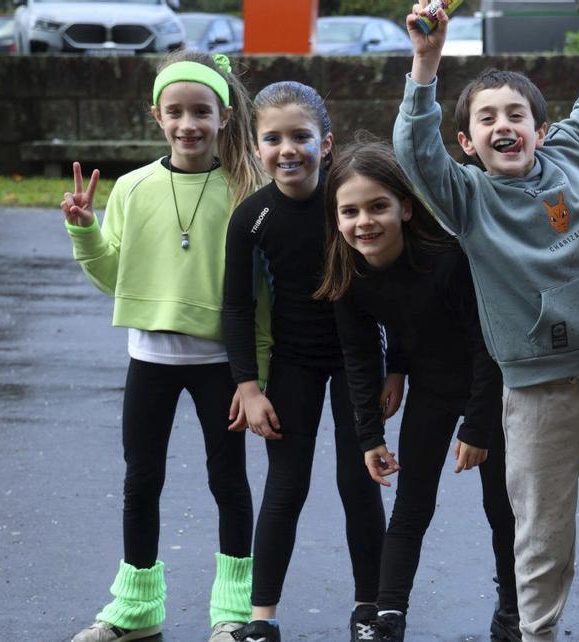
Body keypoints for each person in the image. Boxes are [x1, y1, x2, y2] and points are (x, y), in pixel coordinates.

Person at [393, 2, 579, 639]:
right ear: (467, 144)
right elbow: (413, 149)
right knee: (543, 537)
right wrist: (426, 62)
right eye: (487, 118)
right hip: (535, 399)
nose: (504, 125)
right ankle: (537, 633)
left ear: (540, 130)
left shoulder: (572, 153)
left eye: (516, 115)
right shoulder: (467, 198)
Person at [61, 51, 264, 642]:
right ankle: (136, 608)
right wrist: (84, 230)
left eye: (201, 111)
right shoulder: (132, 187)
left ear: (224, 116)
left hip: (222, 366)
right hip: (149, 361)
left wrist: (258, 374)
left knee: (228, 483)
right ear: (157, 116)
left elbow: (263, 294)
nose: (188, 124)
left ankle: (233, 612)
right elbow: (115, 278)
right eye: (175, 112)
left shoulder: (247, 187)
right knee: (140, 482)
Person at [314, 140, 520, 642]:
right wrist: (370, 437)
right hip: (431, 390)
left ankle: (513, 611)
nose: (364, 221)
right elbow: (361, 356)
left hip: (490, 389)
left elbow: (488, 346)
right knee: (411, 506)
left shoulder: (446, 260)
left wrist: (478, 427)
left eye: (378, 207)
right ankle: (388, 617)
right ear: (336, 219)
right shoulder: (349, 273)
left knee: (502, 508)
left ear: (405, 208)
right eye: (350, 211)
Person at [221, 82, 388, 642]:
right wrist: (248, 386)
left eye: (301, 136)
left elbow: (392, 285)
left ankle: (369, 609)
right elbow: (236, 306)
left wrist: (396, 366)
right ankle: (261, 619)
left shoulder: (348, 201)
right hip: (292, 364)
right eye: (273, 139)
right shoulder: (252, 218)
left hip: (356, 361)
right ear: (256, 147)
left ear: (327, 143)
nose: (287, 149)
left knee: (357, 481)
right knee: (285, 486)